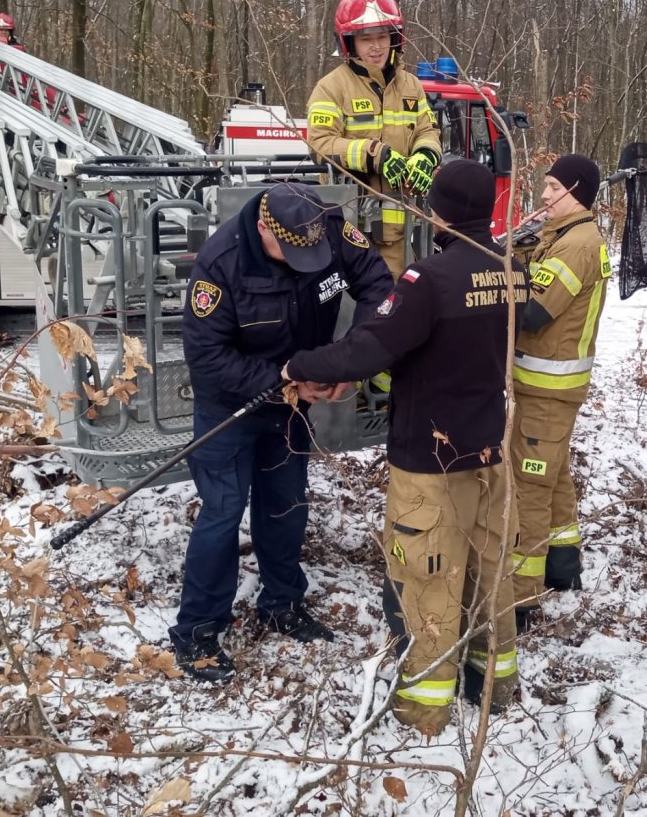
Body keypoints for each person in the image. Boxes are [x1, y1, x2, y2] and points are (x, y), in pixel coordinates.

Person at [282, 160, 523, 735]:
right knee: (489, 568)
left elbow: (371, 346)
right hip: (489, 448)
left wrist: (300, 364)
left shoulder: (428, 280)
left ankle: (423, 708)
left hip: (430, 458)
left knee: (428, 578)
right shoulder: (513, 269)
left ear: (441, 210)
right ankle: (493, 683)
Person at [170, 182, 394, 683]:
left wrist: (348, 362)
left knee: (287, 504)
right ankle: (199, 629)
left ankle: (281, 603)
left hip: (293, 408)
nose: (303, 262)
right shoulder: (220, 262)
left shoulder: (331, 228)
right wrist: (285, 381)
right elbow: (206, 360)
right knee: (223, 512)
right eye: (291, 253)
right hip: (234, 407)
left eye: (310, 253)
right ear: (262, 229)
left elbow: (379, 288)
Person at [508, 154, 611, 629]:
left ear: (576, 193)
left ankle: (523, 596)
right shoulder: (564, 237)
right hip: (551, 384)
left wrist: (502, 277)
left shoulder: (577, 246)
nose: (544, 196)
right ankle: (563, 564)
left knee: (529, 485)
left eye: (553, 188)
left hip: (549, 385)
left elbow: (533, 313)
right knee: (554, 474)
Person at [305, 0, 443, 278]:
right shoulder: (331, 87)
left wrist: (425, 155)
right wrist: (374, 155)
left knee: (396, 312)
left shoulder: (411, 86)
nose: (376, 47)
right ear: (349, 43)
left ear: (396, 38)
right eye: (366, 39)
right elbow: (319, 145)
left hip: (403, 231)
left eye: (382, 37)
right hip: (349, 232)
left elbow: (427, 130)